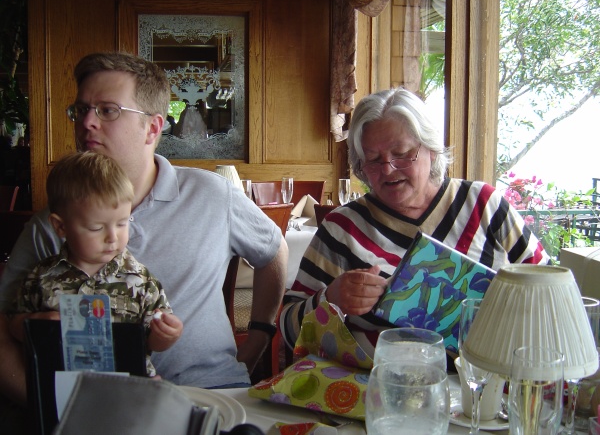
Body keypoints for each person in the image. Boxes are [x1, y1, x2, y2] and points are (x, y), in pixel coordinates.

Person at [0, 52, 288, 409]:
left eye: (107, 110)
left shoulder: (212, 194)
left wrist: (259, 335)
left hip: (211, 392)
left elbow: (273, 250)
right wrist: (52, 405)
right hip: (100, 406)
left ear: (152, 128)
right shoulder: (52, 223)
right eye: (82, 109)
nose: (87, 122)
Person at [280, 88, 549, 355]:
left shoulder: (483, 205)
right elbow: (288, 332)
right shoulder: (342, 228)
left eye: (401, 153)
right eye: (373, 160)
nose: (388, 169)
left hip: (481, 374)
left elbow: (551, 291)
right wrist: (331, 299)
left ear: (431, 149)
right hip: (377, 379)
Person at [6, 151, 183, 377]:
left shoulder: (141, 280)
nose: (112, 237)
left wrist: (166, 335)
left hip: (128, 388)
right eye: (96, 228)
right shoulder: (41, 277)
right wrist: (37, 323)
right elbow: (12, 324)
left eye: (122, 223)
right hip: (62, 386)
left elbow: (153, 342)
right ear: (61, 227)